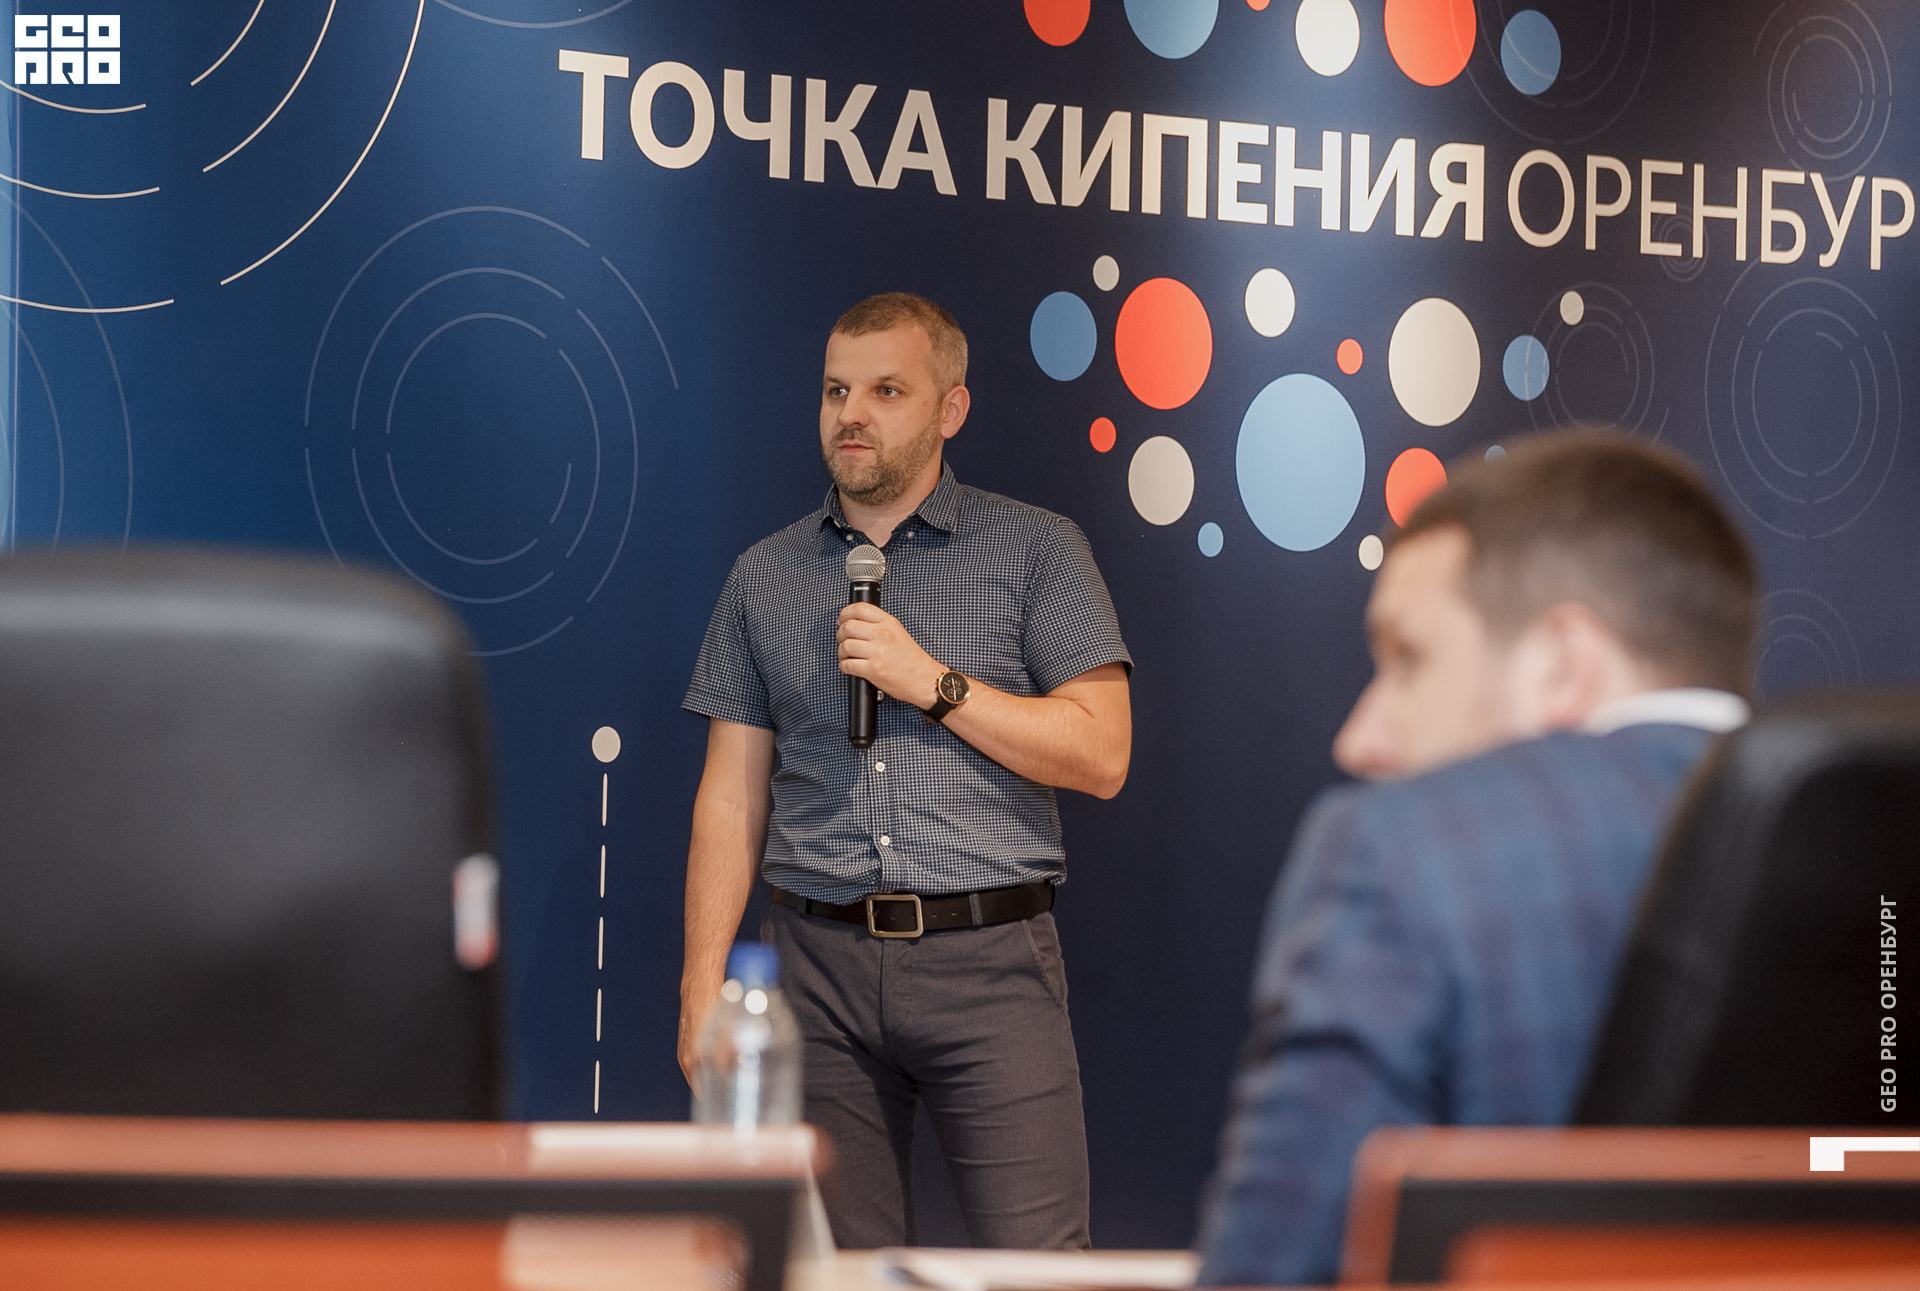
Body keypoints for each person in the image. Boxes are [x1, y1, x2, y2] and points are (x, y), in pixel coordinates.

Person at [1194, 431, 1758, 1285]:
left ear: (1562, 666)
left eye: (1408, 658)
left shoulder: (1398, 850)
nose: (1360, 738)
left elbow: (1274, 1273)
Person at [680, 292, 1132, 1249]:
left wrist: (929, 681)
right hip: (815, 973)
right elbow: (729, 794)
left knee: (1040, 1269)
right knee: (834, 1267)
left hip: (990, 963)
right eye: (836, 390)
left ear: (950, 408)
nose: (853, 414)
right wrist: (703, 982)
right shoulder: (764, 574)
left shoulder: (1036, 548)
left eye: (887, 390)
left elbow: (1103, 752)